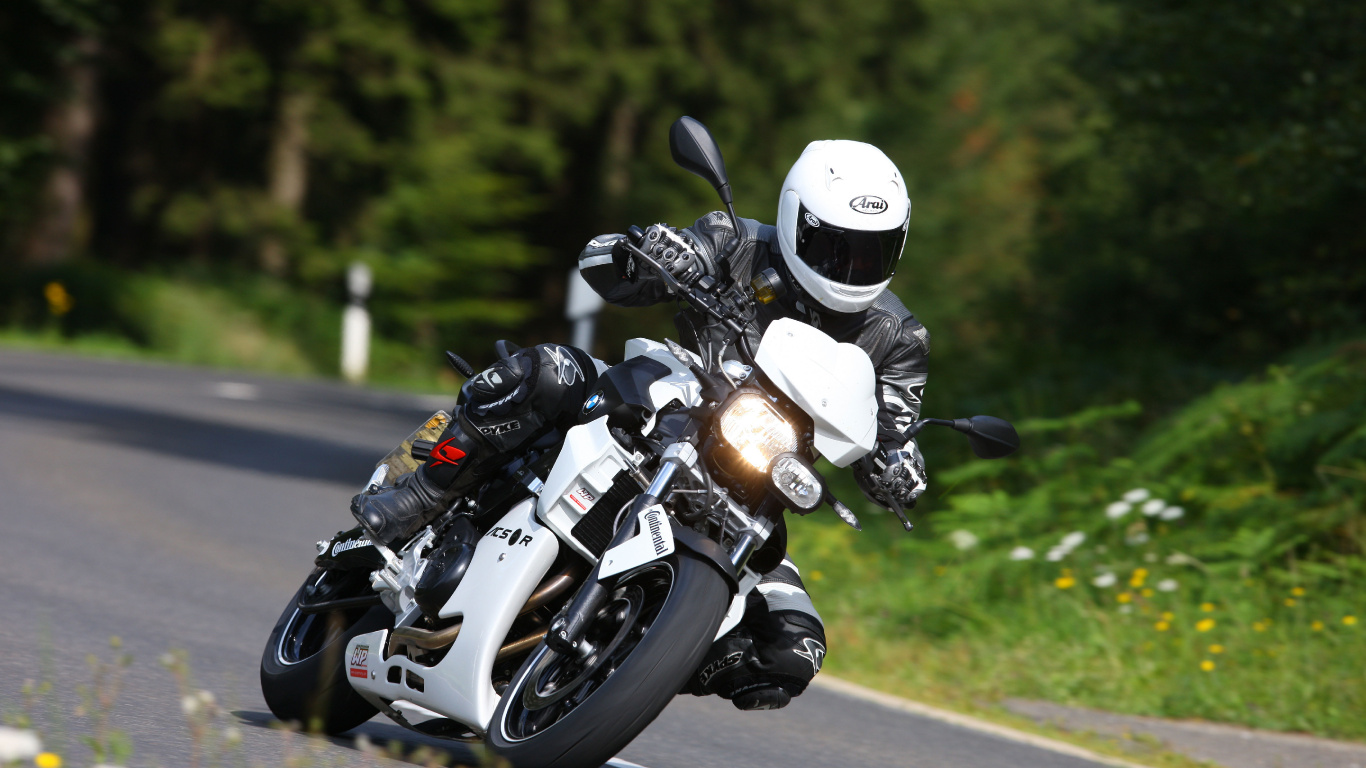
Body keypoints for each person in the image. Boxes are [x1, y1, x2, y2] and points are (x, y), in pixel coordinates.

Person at [352, 139, 930, 711]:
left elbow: (894, 428)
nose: (853, 269)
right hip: (663, 403)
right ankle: (424, 491)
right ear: (794, 221)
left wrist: (900, 466)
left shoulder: (899, 338)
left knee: (794, 646)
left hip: (751, 491)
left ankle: (626, 666)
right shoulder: (735, 242)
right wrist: (651, 251)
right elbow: (602, 261)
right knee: (551, 373)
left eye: (871, 253)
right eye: (835, 248)